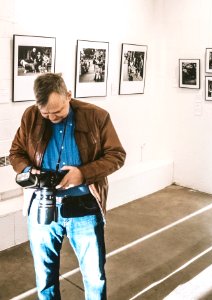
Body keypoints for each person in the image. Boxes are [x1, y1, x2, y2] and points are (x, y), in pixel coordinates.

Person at [9, 73, 126, 299]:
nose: (52, 118)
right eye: (46, 113)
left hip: (84, 207)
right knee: (45, 278)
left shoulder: (97, 117)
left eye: (58, 111)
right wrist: (27, 171)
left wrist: (83, 174)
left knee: (94, 277)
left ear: (69, 96)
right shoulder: (31, 116)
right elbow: (16, 153)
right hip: (41, 206)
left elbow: (116, 155)